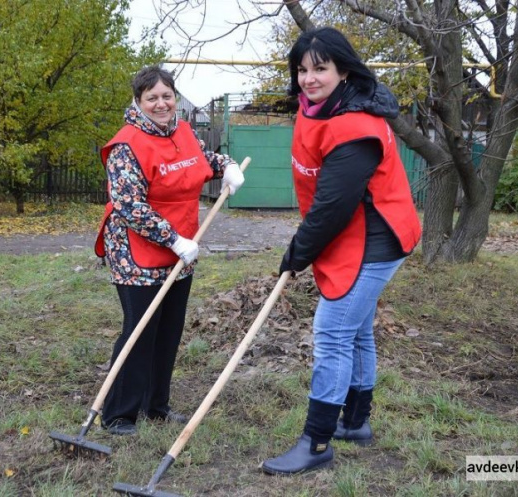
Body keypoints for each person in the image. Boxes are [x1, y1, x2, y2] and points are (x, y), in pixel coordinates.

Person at [260, 27, 421, 475]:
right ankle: (355, 423)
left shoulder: (356, 127)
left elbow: (332, 207)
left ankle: (316, 442)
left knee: (332, 332)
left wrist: (298, 253)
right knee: (356, 331)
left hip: (376, 239)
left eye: (320, 69)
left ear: (344, 70)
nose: (308, 78)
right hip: (356, 230)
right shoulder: (319, 108)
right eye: (302, 69)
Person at [94, 65, 245, 436]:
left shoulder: (183, 131)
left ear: (174, 97)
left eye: (166, 96)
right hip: (137, 252)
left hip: (181, 250)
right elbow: (129, 206)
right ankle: (118, 414)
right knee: (141, 329)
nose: (161, 104)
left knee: (169, 330)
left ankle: (156, 406)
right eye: (152, 98)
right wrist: (173, 238)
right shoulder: (126, 145)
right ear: (138, 101)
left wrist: (226, 168)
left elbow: (204, 161)